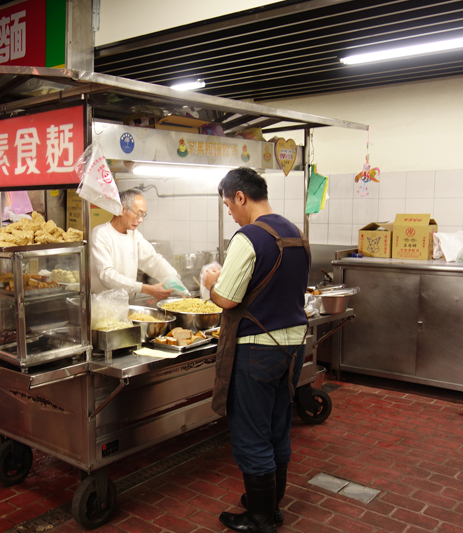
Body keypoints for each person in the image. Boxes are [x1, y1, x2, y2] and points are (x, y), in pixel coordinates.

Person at [202, 168, 310, 533]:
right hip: (293, 347)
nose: (230, 213)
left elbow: (228, 299)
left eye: (228, 205)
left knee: (251, 434)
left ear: (241, 197)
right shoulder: (294, 232)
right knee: (278, 428)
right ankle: (271, 504)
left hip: (257, 350)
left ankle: (261, 518)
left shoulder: (249, 237)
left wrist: (211, 284)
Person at [90, 188, 185, 300]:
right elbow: (107, 275)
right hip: (103, 305)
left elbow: (152, 260)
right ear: (121, 209)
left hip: (127, 302)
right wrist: (147, 289)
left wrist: (172, 278)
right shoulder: (101, 234)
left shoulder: (134, 235)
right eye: (138, 214)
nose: (141, 220)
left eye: (143, 215)